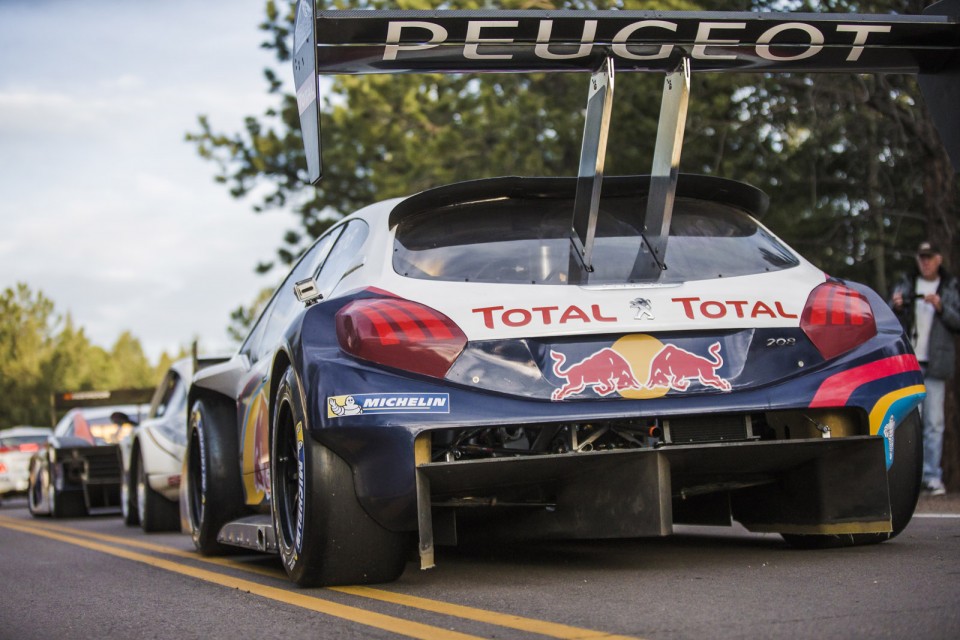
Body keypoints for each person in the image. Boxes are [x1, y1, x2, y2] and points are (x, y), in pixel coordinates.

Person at [890, 241, 960, 496]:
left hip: (937, 363)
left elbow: (957, 320)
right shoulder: (907, 283)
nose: (925, 262)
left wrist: (941, 307)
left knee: (934, 423)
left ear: (939, 259)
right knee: (911, 421)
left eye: (930, 257)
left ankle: (932, 476)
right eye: (922, 257)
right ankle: (910, 477)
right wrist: (896, 305)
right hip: (910, 361)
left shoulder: (950, 286)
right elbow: (890, 318)